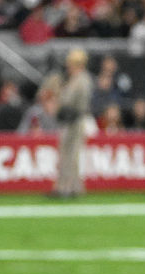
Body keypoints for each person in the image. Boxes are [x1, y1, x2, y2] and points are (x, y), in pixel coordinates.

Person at [52, 48, 93, 198]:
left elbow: (68, 100)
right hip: (72, 119)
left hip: (74, 119)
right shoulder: (78, 79)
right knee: (70, 154)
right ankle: (74, 186)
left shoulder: (80, 79)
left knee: (69, 154)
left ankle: (66, 187)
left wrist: (59, 94)